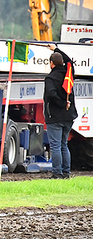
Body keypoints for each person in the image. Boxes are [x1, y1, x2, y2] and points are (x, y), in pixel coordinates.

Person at [44, 43, 79, 179]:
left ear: (51, 64)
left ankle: (57, 173)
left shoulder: (50, 78)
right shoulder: (68, 73)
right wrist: (56, 49)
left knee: (56, 146)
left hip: (56, 116)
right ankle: (66, 173)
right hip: (69, 116)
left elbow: (51, 94)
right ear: (62, 63)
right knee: (64, 145)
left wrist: (62, 103)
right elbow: (69, 61)